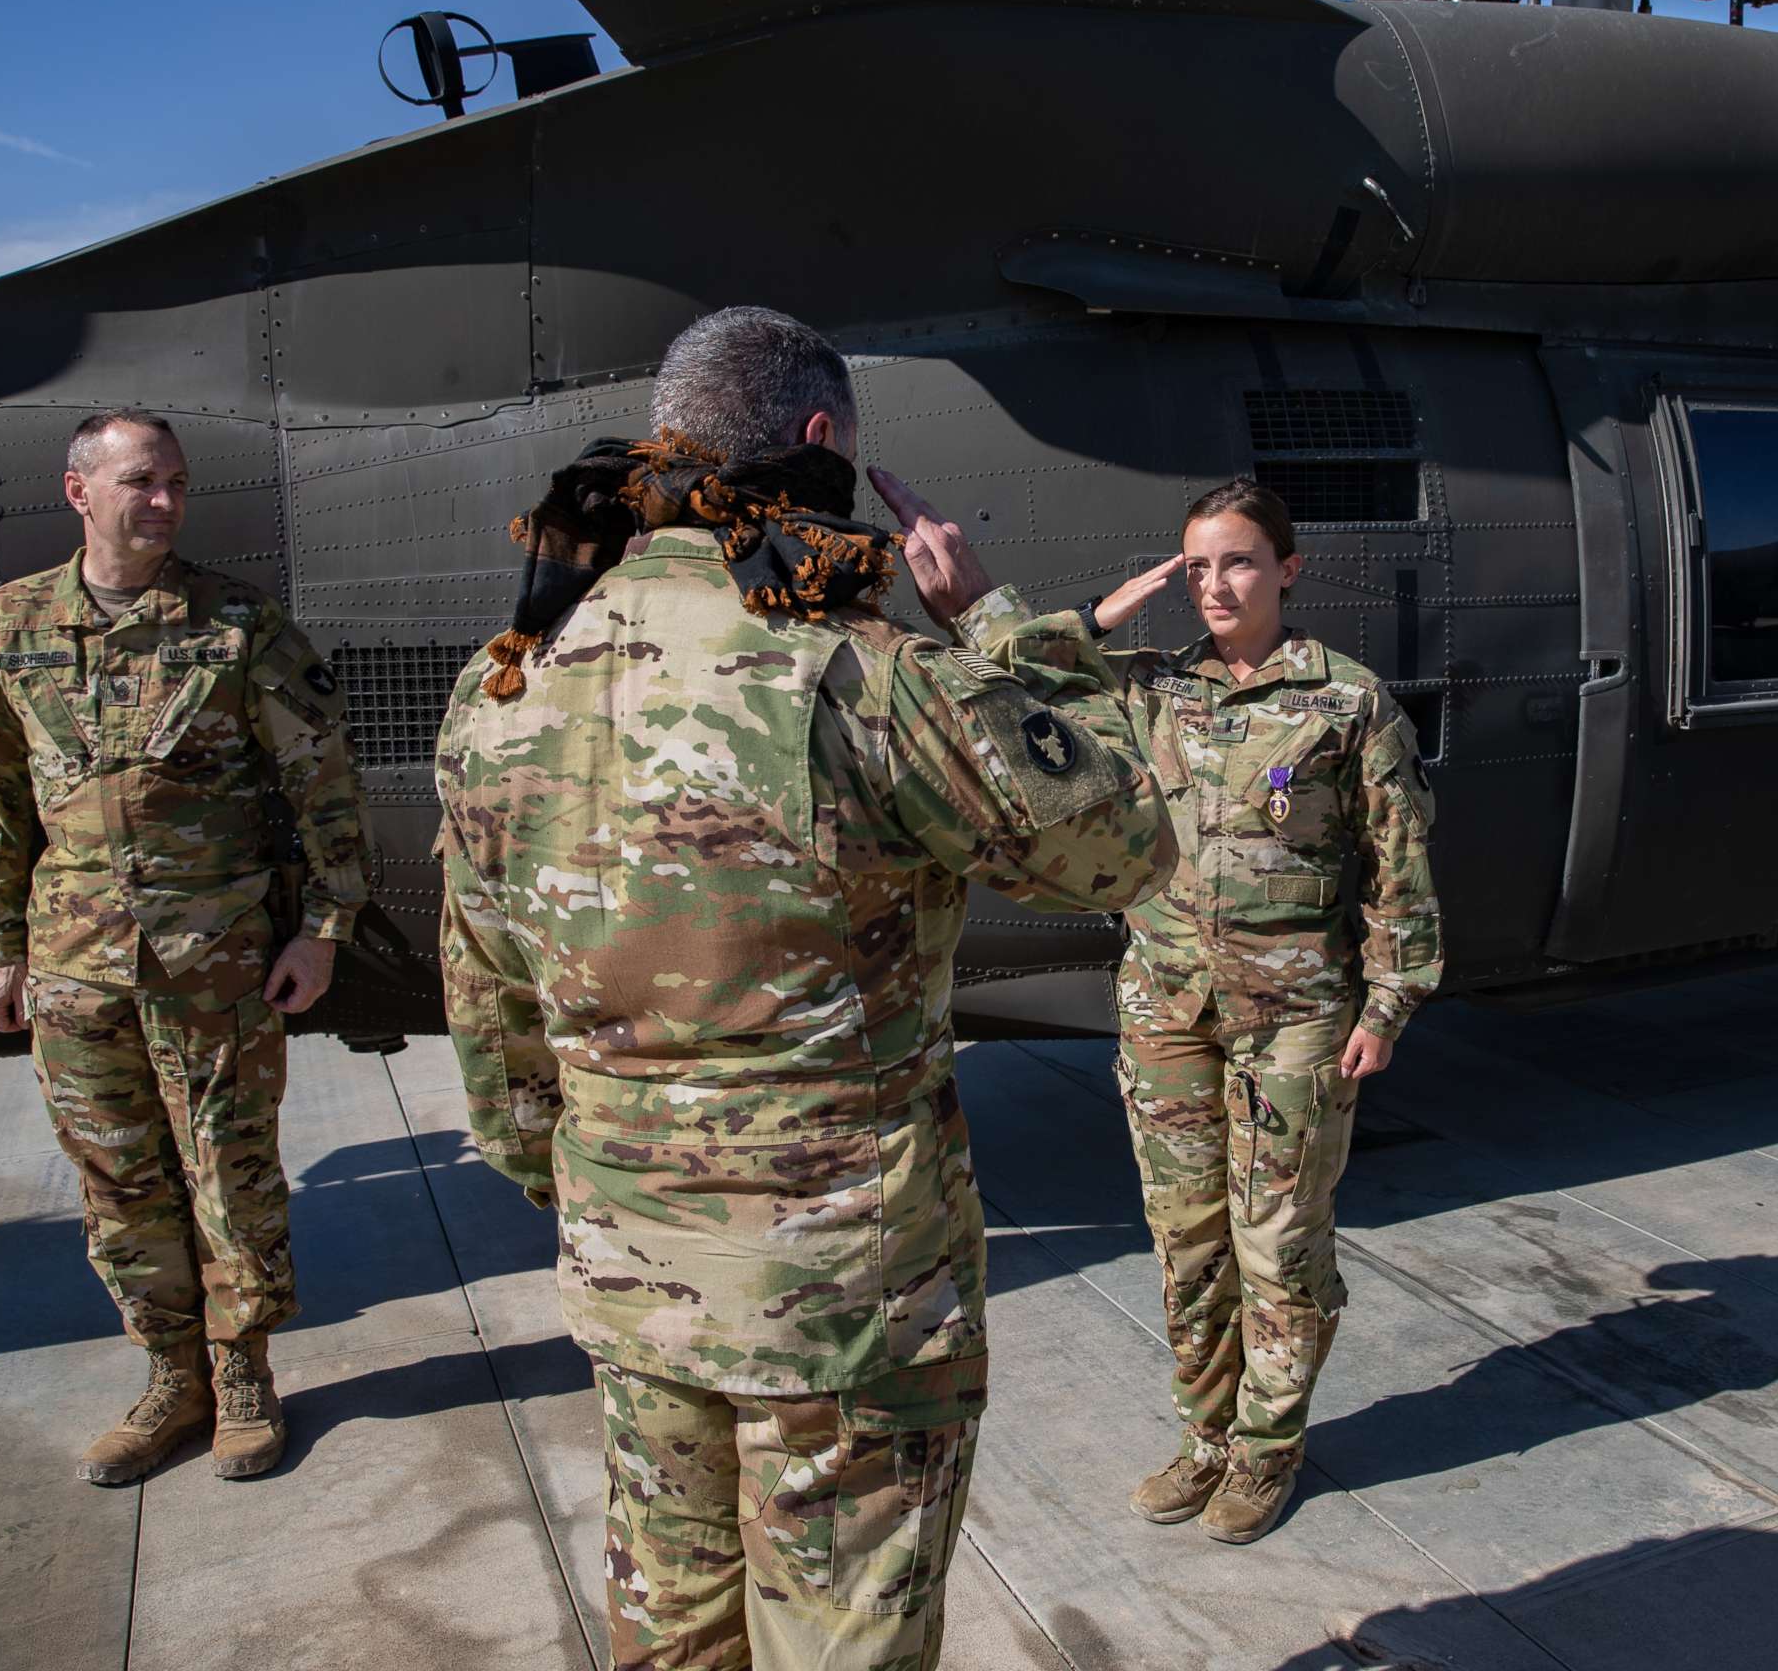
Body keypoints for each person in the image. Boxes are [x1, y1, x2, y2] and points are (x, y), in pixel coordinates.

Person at [434, 305, 1174, 1671]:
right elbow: (1125, 844)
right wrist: (999, 627)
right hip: (847, 1302)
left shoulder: (507, 681)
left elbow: (489, 1016)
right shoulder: (864, 673)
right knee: (842, 1635)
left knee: (672, 1628)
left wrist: (596, 1185)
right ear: (820, 440)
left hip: (633, 1273)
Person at [960, 479, 1442, 1543]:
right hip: (1168, 1004)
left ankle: (1269, 1451)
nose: (1217, 585)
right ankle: (1207, 1436)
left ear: (1287, 568)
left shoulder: (1346, 703)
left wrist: (1391, 1001)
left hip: (1296, 1016)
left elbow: (1399, 868)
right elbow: (1007, 667)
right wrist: (1106, 612)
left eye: (1238, 561)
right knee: (1186, 1241)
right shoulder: (1151, 690)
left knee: (1277, 1241)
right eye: (1198, 566)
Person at [0, 409, 367, 1484]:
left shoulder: (235, 623)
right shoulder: (11, 624)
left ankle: (242, 1377)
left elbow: (321, 780)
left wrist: (324, 931)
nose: (167, 501)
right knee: (119, 1185)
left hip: (213, 965)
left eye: (176, 481)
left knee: (230, 1177)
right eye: (143, 481)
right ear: (79, 491)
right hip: (74, 968)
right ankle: (169, 1377)